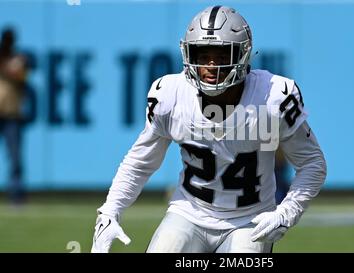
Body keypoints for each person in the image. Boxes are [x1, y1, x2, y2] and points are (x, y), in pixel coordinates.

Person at [91, 6, 327, 253]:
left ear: (243, 54)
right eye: (203, 56)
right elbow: (140, 161)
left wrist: (287, 212)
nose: (211, 66)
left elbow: (312, 163)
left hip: (250, 219)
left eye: (223, 56)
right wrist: (110, 211)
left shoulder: (272, 97)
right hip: (190, 213)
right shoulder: (170, 95)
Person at [0, 27, 27, 205]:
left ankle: (16, 196)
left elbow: (19, 76)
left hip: (11, 115)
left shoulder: (19, 60)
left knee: (15, 157)